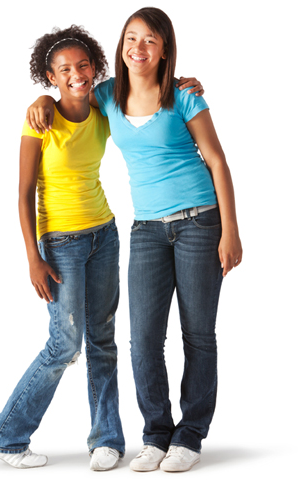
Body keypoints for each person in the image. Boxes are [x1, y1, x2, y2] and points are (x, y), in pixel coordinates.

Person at [27, 8, 240, 473]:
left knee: (198, 335)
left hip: (200, 223)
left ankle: (190, 435)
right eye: (131, 38)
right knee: (143, 340)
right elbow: (70, 95)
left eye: (149, 40)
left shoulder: (184, 97)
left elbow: (217, 161)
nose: (138, 48)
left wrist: (231, 231)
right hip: (146, 230)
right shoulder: (107, 95)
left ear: (164, 49)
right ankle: (156, 435)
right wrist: (41, 98)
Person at [0, 25, 126, 472]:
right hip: (61, 243)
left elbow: (145, 85)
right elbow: (23, 193)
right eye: (64, 70)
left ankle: (107, 439)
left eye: (83, 66)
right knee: (65, 344)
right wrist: (33, 257)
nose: (76, 74)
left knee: (102, 339)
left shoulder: (103, 107)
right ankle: (4, 436)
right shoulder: (40, 119)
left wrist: (182, 82)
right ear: (51, 76)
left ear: (95, 67)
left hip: (104, 234)